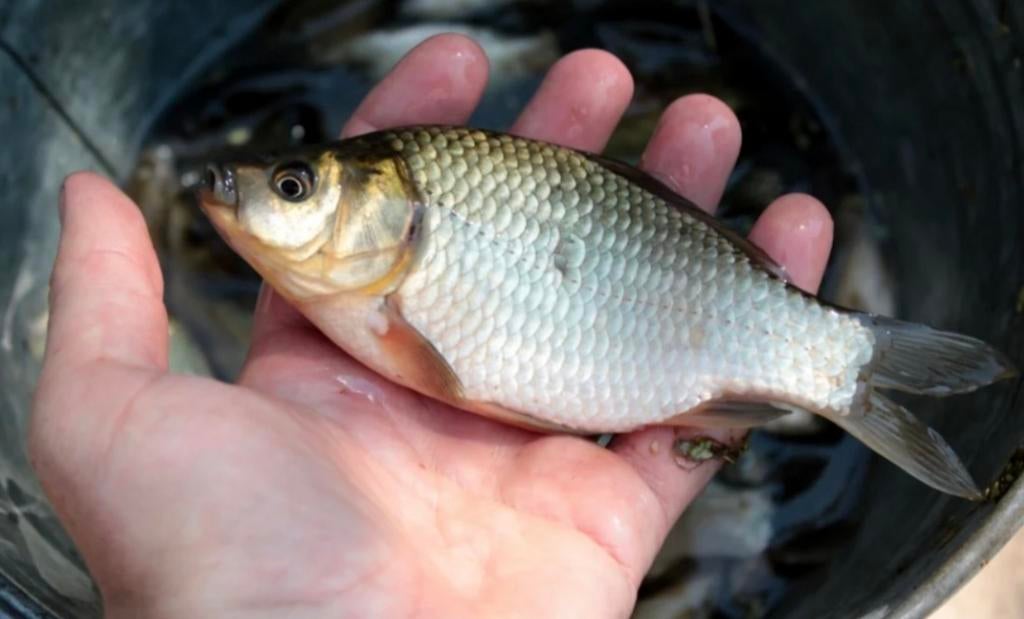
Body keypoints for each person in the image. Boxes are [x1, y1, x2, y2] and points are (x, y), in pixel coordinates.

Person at [29, 35, 833, 618]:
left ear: (396, 211)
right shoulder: (354, 298)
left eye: (293, 186)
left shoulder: (371, 301)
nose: (250, 195)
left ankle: (844, 365)